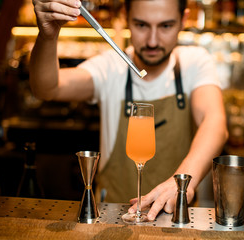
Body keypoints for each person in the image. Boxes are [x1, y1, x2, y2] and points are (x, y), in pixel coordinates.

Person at [29, 0, 228, 221]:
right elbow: (46, 88)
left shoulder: (194, 62)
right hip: (111, 217)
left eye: (165, 26)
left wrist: (180, 183)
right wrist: (47, 35)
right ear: (125, 16)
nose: (152, 41)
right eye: (142, 25)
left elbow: (215, 123)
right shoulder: (111, 67)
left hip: (177, 218)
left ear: (183, 20)